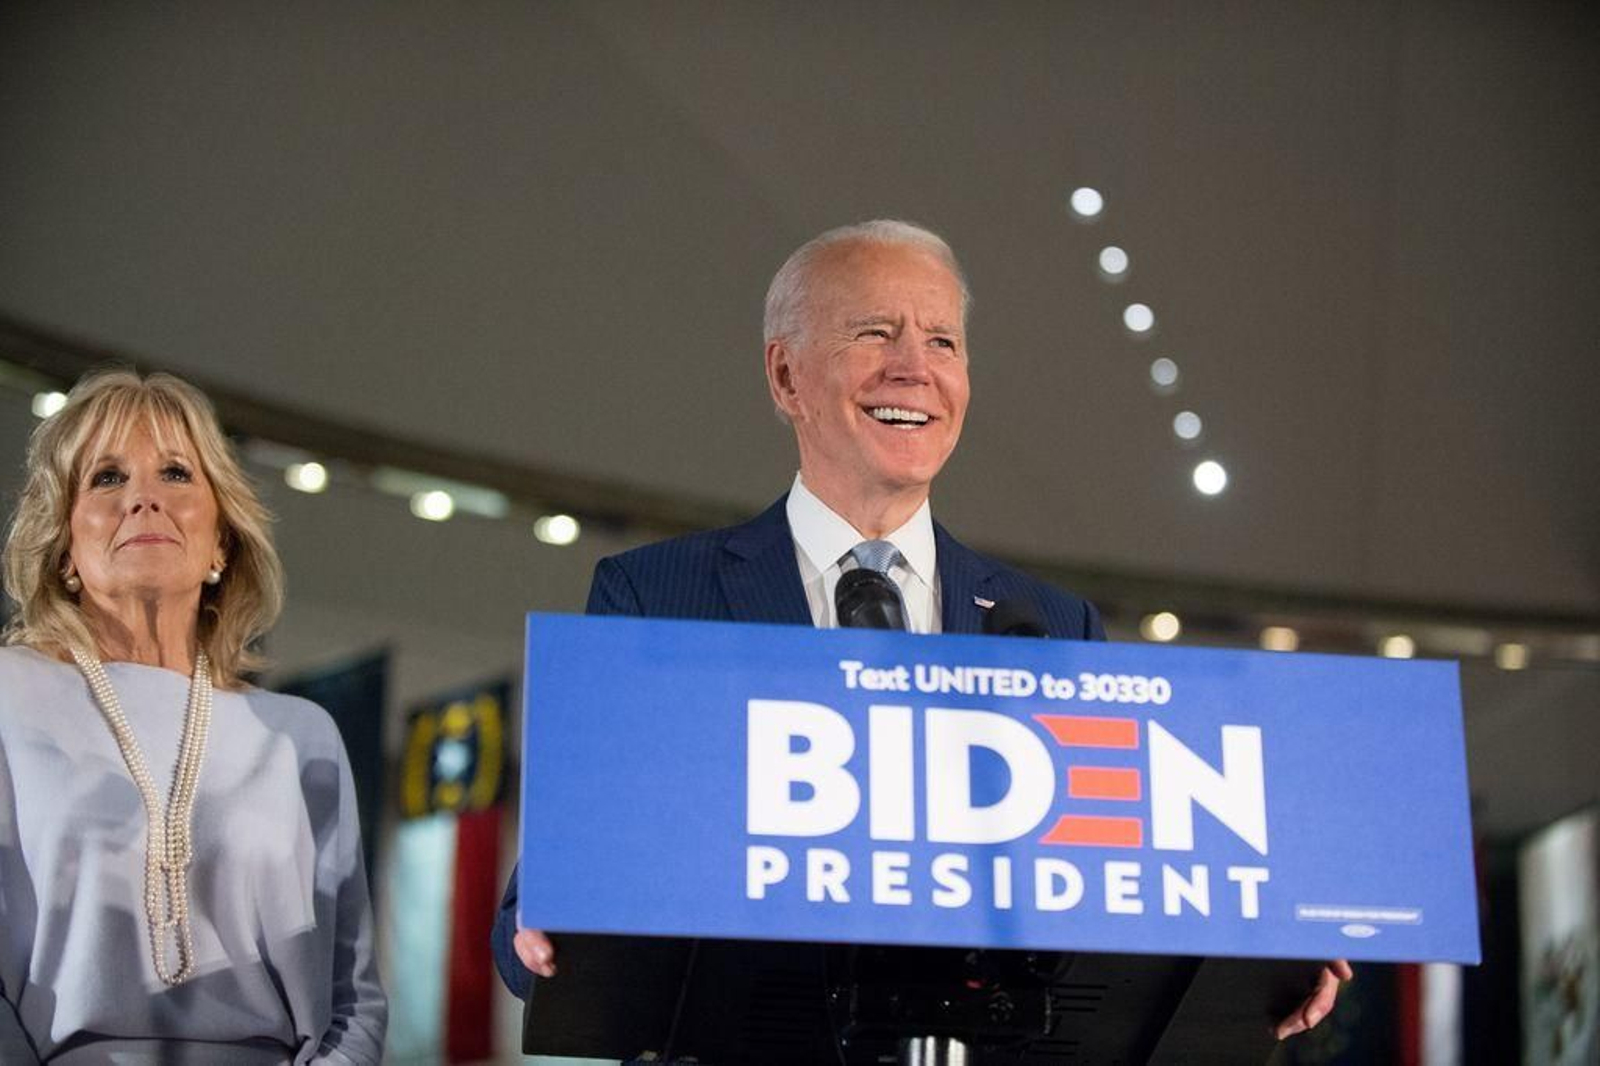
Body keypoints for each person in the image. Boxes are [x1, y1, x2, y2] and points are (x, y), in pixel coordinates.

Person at [492, 219, 1349, 1040]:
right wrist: (550, 930)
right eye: (875, 333)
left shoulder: (1051, 627)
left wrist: (1265, 947)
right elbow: (536, 918)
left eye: (942, 341)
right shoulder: (656, 597)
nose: (915, 368)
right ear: (786, 377)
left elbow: (1111, 898)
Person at [0, 369, 386, 1063]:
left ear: (221, 543)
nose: (144, 499)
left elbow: (354, 998)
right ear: (62, 550)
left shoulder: (303, 735)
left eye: (176, 473)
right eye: (107, 478)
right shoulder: (7, 696)